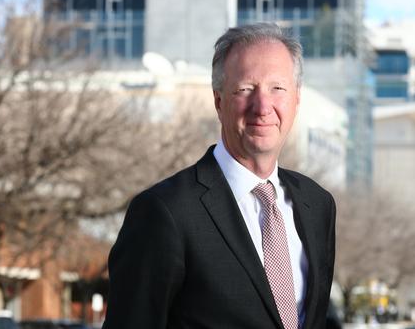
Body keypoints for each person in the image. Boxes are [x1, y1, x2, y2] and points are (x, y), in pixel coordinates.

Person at [103, 23, 336, 329]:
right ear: (218, 101)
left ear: (296, 99)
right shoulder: (165, 212)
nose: (262, 106)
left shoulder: (317, 206)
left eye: (277, 88)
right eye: (245, 89)